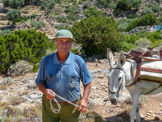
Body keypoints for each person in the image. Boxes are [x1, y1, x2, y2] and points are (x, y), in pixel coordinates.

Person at [35, 29, 92, 122]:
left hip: (72, 109)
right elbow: (39, 82)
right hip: (50, 107)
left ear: (71, 44)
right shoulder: (46, 60)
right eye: (61, 42)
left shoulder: (78, 61)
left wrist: (84, 99)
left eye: (67, 42)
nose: (64, 45)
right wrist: (46, 91)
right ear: (55, 43)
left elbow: (88, 82)